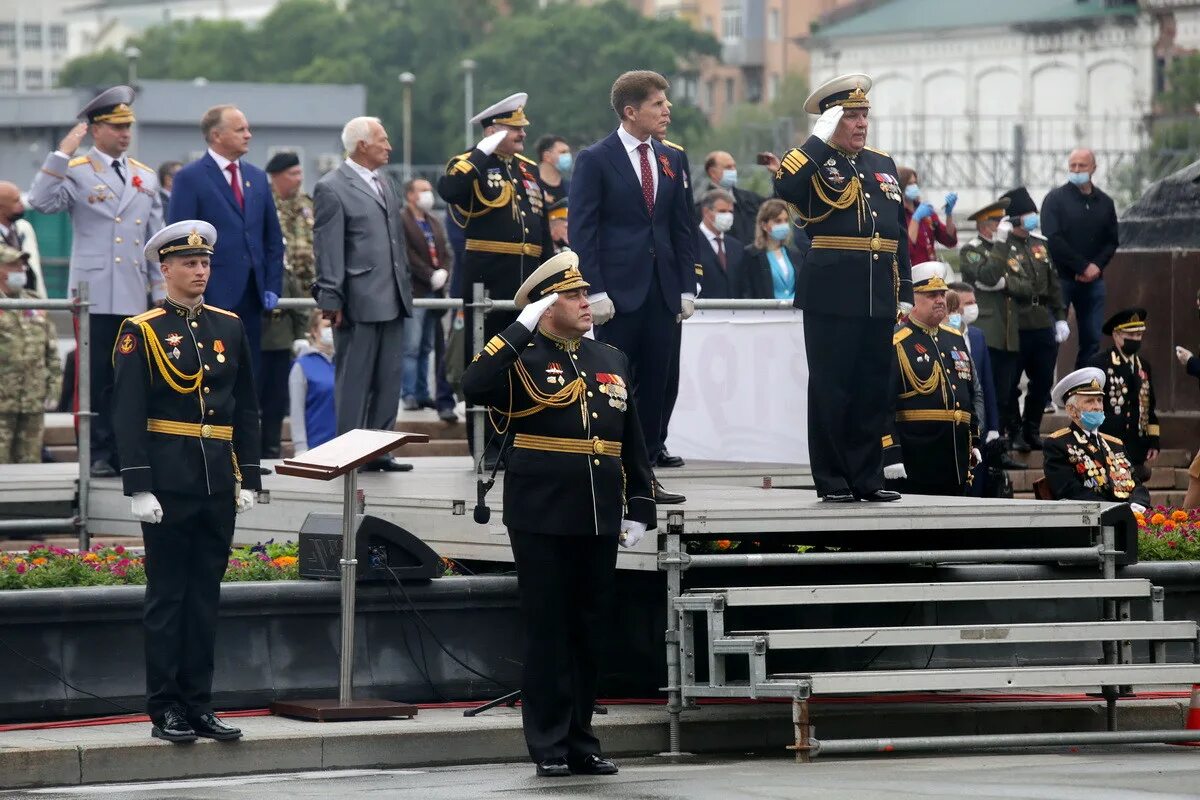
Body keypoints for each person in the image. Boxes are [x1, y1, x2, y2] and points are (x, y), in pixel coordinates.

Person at [461, 251, 656, 778]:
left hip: (597, 510)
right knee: (548, 629)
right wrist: (517, 329)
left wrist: (641, 503)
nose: (584, 302)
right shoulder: (521, 357)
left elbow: (630, 439)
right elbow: (473, 385)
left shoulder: (609, 358)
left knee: (590, 629)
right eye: (571, 296)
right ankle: (547, 742)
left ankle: (582, 740)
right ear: (547, 307)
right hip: (542, 509)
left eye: (583, 293)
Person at [111, 220, 262, 744]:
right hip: (169, 480)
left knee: (205, 597)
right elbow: (127, 413)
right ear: (165, 269)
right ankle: (165, 708)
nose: (200, 271)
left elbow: (245, 409)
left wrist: (250, 474)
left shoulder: (229, 326)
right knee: (168, 597)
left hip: (217, 477)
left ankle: (199, 704)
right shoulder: (143, 329)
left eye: (205, 263)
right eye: (189, 264)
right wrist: (138, 485)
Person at [767, 72, 912, 502]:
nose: (861, 122)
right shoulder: (811, 159)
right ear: (832, 120)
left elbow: (896, 231)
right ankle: (832, 479)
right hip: (833, 289)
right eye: (851, 115)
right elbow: (784, 186)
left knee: (871, 387)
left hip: (878, 291)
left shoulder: (881, 163)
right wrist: (817, 141)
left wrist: (904, 290)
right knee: (832, 386)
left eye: (864, 113)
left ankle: (867, 477)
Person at [570, 70, 695, 504]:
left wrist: (686, 285)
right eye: (658, 104)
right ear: (630, 111)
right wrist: (595, 290)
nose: (667, 110)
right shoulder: (595, 158)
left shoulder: (672, 158)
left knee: (661, 385)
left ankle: (648, 471)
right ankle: (617, 474)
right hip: (618, 296)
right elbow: (582, 231)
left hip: (662, 292)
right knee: (615, 387)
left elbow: (681, 225)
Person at [27, 85, 164, 478]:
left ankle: (126, 451)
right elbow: (40, 200)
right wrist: (62, 152)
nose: (124, 134)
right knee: (93, 379)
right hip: (94, 292)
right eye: (116, 126)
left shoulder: (144, 176)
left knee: (130, 378)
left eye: (127, 127)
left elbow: (155, 241)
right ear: (96, 129)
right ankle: (96, 451)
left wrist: (159, 292)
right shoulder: (77, 171)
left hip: (135, 294)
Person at [438, 92, 552, 468]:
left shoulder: (526, 168)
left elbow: (543, 227)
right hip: (487, 279)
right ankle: (486, 445)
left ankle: (517, 441)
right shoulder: (468, 164)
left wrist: (550, 276)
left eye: (522, 128)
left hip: (526, 278)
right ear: (492, 131)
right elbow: (449, 191)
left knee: (522, 361)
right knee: (485, 359)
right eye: (513, 128)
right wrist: (481, 151)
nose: (521, 134)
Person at [313, 116, 413, 472]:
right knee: (354, 380)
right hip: (357, 298)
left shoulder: (385, 182)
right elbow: (329, 248)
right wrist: (330, 298)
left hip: (393, 295)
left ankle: (380, 448)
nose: (389, 146)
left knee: (389, 379)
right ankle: (349, 450)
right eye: (383, 140)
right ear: (362, 146)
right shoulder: (332, 186)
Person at [167, 104, 284, 382]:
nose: (249, 135)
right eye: (240, 129)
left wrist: (271, 285)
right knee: (213, 371)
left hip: (253, 296)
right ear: (217, 135)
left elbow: (272, 238)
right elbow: (179, 239)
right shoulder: (190, 178)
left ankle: (244, 426)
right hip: (211, 293)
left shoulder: (257, 178)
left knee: (249, 374)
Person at [882, 263, 979, 496]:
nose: (940, 300)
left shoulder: (954, 338)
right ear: (912, 298)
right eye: (930, 294)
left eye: (942, 293)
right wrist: (890, 452)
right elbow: (882, 405)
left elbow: (966, 394)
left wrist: (973, 440)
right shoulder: (897, 341)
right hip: (916, 457)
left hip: (955, 455)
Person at [995, 187, 1068, 453]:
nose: (1032, 218)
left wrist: (1060, 317)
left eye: (1033, 214)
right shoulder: (1003, 245)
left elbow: (1054, 284)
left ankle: (1032, 429)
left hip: (1041, 322)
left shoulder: (1040, 244)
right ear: (1014, 218)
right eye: (1027, 215)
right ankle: (1014, 431)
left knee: (1043, 379)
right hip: (1015, 323)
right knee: (1011, 382)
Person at [959, 197, 1028, 470]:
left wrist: (1005, 281)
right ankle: (985, 449)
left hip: (1009, 333)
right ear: (983, 225)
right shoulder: (972, 250)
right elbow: (988, 276)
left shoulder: (1007, 248)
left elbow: (1026, 284)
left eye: (1001, 221)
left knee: (1005, 392)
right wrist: (999, 254)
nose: (1001, 226)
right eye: (996, 222)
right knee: (986, 393)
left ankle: (998, 449)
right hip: (988, 331)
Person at [1041, 148, 1119, 368]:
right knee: (1052, 338)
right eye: (1072, 165)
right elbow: (1053, 239)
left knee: (1092, 340)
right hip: (1061, 281)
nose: (1076, 170)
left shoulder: (1104, 202)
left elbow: (1111, 240)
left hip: (1093, 283)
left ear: (1093, 168)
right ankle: (1044, 397)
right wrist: (1082, 266)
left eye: (1081, 166)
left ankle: (1083, 392)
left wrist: (1096, 266)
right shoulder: (1055, 200)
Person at [259, 151, 312, 459]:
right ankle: (259, 445)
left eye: (299, 172)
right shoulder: (265, 203)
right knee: (263, 384)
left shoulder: (306, 205)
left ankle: (273, 443)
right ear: (276, 176)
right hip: (272, 301)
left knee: (285, 385)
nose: (299, 178)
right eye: (292, 173)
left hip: (302, 300)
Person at [1042, 367, 1150, 508]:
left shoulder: (1115, 444)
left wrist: (1138, 504)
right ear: (1071, 410)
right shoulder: (1058, 444)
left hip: (1127, 516)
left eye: (1099, 400)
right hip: (1091, 521)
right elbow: (1071, 492)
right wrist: (1119, 510)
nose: (1097, 407)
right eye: (1090, 401)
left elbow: (1136, 484)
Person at [400, 176, 456, 422]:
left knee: (427, 346)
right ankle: (409, 393)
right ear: (410, 195)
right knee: (411, 346)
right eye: (423, 190)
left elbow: (445, 250)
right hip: (416, 290)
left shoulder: (434, 221)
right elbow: (406, 253)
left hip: (435, 292)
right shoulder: (402, 221)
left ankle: (423, 392)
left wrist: (443, 271)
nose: (428, 194)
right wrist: (428, 274)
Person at [0, 245, 60, 463]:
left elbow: (51, 352)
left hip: (32, 399)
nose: (21, 270)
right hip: (2, 400)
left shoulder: (35, 303)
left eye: (22, 264)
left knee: (30, 464)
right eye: (13, 265)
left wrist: (54, 387)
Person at [1090, 308, 1158, 483]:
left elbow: (1150, 407)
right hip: (1109, 444)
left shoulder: (1144, 366)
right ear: (1116, 335)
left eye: (1139, 335)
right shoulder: (1100, 363)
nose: (1136, 340)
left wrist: (1153, 441)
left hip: (1137, 447)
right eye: (1130, 335)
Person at [947, 281, 1002, 494]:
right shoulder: (941, 336)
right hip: (953, 423)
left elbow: (986, 385)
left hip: (978, 426)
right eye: (967, 303)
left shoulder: (977, 336)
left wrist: (994, 426)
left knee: (977, 484)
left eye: (974, 302)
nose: (973, 307)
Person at [288, 310, 336, 455]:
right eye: (327, 325)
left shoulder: (347, 362)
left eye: (334, 324)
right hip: (315, 448)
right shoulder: (302, 366)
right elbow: (296, 411)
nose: (332, 330)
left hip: (345, 447)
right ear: (314, 331)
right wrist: (300, 448)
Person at [693, 150, 764, 245]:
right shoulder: (701, 208)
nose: (733, 171)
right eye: (728, 167)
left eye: (734, 167)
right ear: (712, 172)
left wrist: (779, 176)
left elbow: (774, 208)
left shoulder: (749, 199)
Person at [740, 198, 805, 300]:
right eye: (778, 221)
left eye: (786, 220)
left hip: (794, 313)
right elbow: (748, 291)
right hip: (767, 313)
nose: (783, 225)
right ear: (764, 225)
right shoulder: (752, 254)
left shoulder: (794, 254)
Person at [897, 166, 957, 265]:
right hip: (911, 272)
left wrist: (949, 214)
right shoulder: (897, 214)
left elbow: (949, 240)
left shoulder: (926, 212)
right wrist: (916, 219)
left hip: (931, 273)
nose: (914, 187)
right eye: (910, 184)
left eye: (915, 183)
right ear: (901, 186)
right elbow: (906, 250)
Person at [695, 188, 743, 299]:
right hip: (702, 312)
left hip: (734, 313)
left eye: (730, 211)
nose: (728, 216)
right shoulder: (690, 242)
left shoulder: (736, 247)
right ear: (706, 212)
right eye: (722, 211)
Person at [535, 134, 572, 206]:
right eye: (563, 152)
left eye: (568, 152)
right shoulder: (532, 185)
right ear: (547, 156)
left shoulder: (570, 188)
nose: (568, 156)